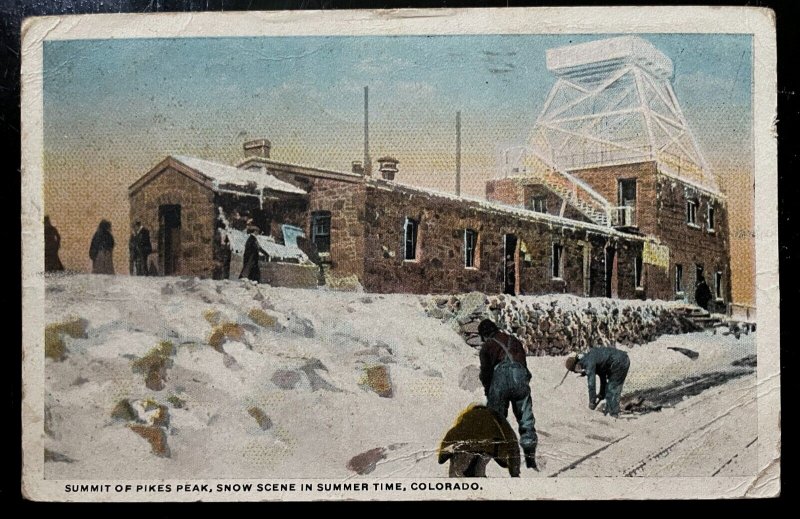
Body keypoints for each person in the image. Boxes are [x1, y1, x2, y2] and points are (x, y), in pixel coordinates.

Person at [478, 319, 538, 470]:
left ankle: (495, 455)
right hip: (520, 377)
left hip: (500, 378)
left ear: (484, 335)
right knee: (526, 418)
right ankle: (530, 459)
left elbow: (486, 374)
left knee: (495, 419)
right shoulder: (514, 340)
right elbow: (523, 364)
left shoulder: (487, 346)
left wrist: (488, 391)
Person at [565, 347, 630, 417]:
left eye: (574, 371)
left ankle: (613, 414)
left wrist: (592, 402)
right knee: (610, 388)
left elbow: (591, 385)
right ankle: (609, 410)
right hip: (620, 360)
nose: (576, 372)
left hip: (620, 362)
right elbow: (603, 377)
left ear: (577, 366)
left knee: (612, 388)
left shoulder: (589, 363)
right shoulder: (589, 357)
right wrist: (602, 394)